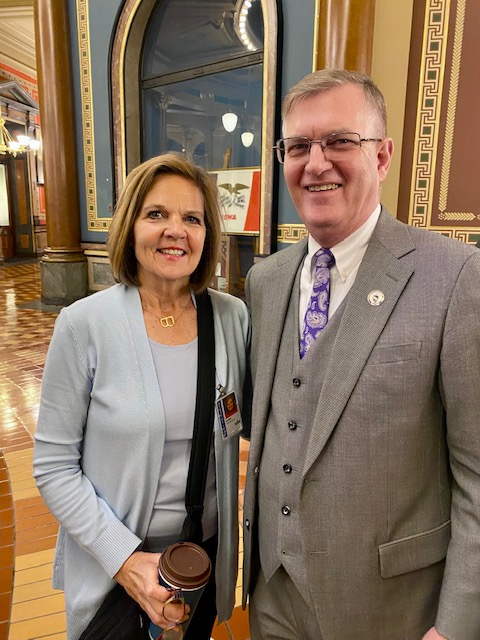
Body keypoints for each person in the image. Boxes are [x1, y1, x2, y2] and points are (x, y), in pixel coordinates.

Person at [242, 69, 480, 640]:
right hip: (273, 596)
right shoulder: (266, 280)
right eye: (298, 146)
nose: (316, 163)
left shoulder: (456, 277)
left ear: (383, 156)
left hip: (392, 610)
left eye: (340, 141)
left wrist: (456, 625)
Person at [33, 152, 250, 640]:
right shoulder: (85, 324)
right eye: (157, 215)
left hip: (200, 562)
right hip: (116, 568)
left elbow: (258, 420)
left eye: (192, 218)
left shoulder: (231, 318)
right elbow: (53, 466)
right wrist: (125, 561)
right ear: (130, 228)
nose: (176, 230)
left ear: (207, 235)